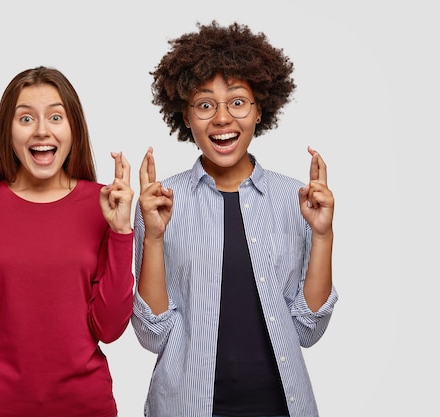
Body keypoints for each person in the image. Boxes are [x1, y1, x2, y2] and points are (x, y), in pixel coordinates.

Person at [131, 21, 338, 417]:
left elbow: (308, 329)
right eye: (205, 105)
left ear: (260, 109)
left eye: (238, 102)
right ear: (186, 118)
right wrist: (154, 237)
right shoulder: (160, 204)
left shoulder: (294, 199)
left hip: (281, 405)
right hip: (185, 405)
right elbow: (153, 334)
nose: (223, 118)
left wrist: (323, 235)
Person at [0, 66, 134, 417]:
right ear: (7, 132)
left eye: (56, 116)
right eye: (26, 119)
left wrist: (120, 232)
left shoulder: (105, 202)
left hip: (87, 406)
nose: (42, 130)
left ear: (74, 129)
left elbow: (110, 327)